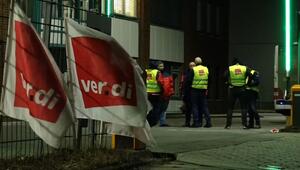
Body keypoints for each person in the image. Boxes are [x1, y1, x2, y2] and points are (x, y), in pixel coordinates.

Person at [224, 58, 250, 129]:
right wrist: (246, 83)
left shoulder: (231, 68)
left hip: (233, 89)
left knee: (230, 108)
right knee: (243, 107)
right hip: (242, 89)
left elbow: (225, 76)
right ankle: (244, 125)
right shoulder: (244, 68)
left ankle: (228, 125)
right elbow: (250, 75)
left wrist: (228, 83)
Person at [186, 57, 212, 128]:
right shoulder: (206, 69)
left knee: (195, 106)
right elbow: (210, 80)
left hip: (194, 90)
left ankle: (196, 122)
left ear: (195, 62)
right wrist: (206, 88)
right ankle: (208, 122)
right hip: (203, 90)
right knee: (204, 106)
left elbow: (189, 80)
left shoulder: (194, 69)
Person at [146, 61, 164, 127]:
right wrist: (162, 90)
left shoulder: (146, 71)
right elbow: (161, 82)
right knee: (156, 108)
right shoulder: (157, 72)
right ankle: (153, 122)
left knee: (149, 108)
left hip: (147, 93)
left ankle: (148, 121)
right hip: (156, 93)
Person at [157, 62, 174, 127]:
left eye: (162, 66)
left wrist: (170, 93)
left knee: (163, 109)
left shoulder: (167, 74)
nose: (162, 67)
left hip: (166, 95)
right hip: (159, 94)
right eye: (160, 66)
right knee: (159, 108)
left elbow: (171, 84)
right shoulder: (156, 74)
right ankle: (159, 121)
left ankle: (162, 122)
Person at [180, 61, 195, 127]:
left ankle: (195, 122)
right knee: (188, 109)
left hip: (194, 93)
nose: (192, 67)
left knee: (194, 109)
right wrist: (182, 93)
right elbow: (183, 83)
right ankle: (187, 122)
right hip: (187, 93)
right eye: (190, 65)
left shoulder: (196, 73)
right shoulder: (186, 73)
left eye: (193, 65)